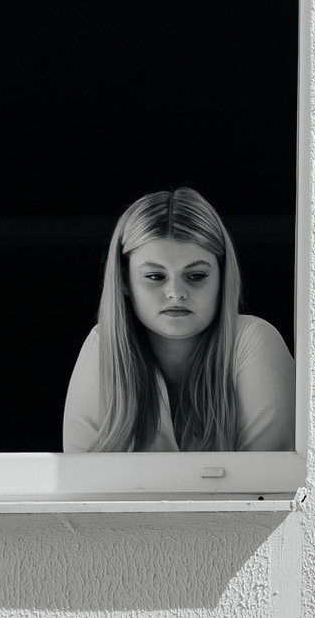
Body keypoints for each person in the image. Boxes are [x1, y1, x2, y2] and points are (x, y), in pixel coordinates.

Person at [62, 187, 295, 452]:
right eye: (155, 276)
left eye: (196, 276)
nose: (176, 292)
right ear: (124, 280)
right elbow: (80, 475)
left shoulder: (254, 341)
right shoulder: (103, 345)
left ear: (222, 277)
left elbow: (270, 477)